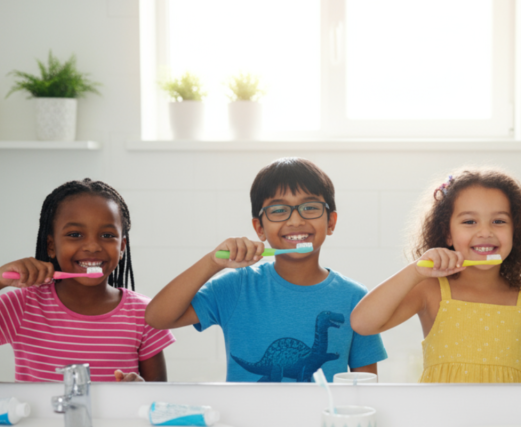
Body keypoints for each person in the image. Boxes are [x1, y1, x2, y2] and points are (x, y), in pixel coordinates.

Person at [145, 157, 387, 382]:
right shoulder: (236, 286)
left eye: (310, 207)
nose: (295, 221)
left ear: (331, 222)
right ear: (259, 228)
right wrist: (212, 262)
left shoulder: (356, 297)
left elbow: (365, 388)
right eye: (279, 210)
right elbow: (157, 317)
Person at [0, 179, 173, 382]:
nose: (93, 246)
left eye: (107, 235)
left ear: (122, 247)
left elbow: (157, 395)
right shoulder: (25, 305)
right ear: (51, 245)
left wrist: (138, 390)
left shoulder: (145, 313)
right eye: (75, 234)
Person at [351, 168, 521, 383]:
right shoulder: (431, 290)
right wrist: (415, 271)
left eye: (499, 221)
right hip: (440, 415)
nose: (485, 232)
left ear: (517, 231)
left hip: (508, 417)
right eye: (469, 222)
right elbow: (363, 323)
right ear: (447, 233)